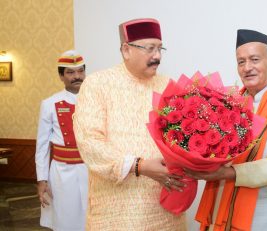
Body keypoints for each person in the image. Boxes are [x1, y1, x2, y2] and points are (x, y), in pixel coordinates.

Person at [187, 29, 267, 231]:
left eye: (254, 59)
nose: (247, 68)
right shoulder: (229, 104)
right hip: (229, 211)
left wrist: (230, 173)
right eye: (241, 61)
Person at [73, 18, 186, 230]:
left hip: (165, 208)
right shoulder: (98, 84)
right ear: (126, 50)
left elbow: (183, 139)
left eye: (160, 48)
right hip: (117, 211)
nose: (158, 56)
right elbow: (89, 144)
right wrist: (139, 166)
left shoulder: (168, 85)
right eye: (150, 49)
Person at [35, 50, 88, 230]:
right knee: (65, 220)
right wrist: (41, 180)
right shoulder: (49, 103)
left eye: (80, 71)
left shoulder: (95, 100)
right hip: (62, 173)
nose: (77, 76)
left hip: (91, 170)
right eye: (70, 72)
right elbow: (42, 146)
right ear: (61, 76)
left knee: (92, 219)